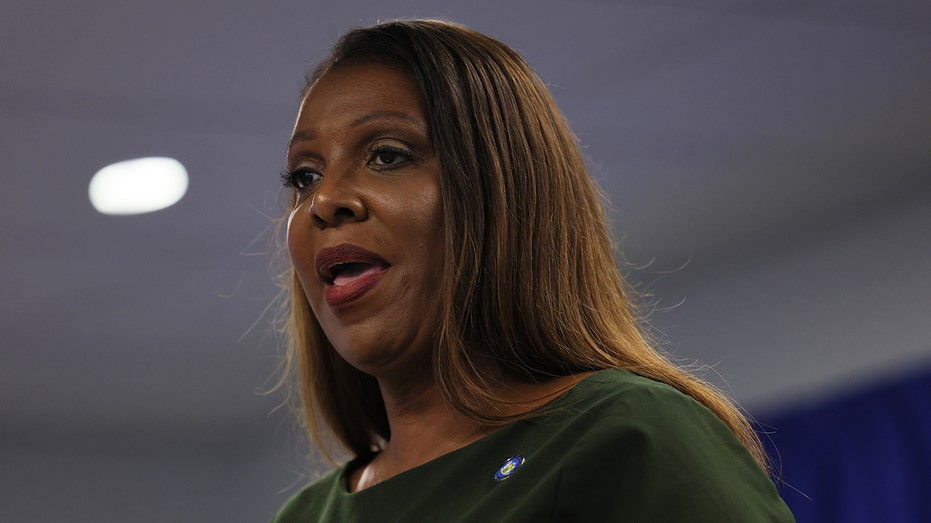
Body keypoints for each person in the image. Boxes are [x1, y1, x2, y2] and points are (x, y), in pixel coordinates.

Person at [271, 19, 795, 522]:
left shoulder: (624, 434)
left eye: (387, 155)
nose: (324, 200)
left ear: (501, 191)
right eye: (304, 175)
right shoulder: (306, 516)